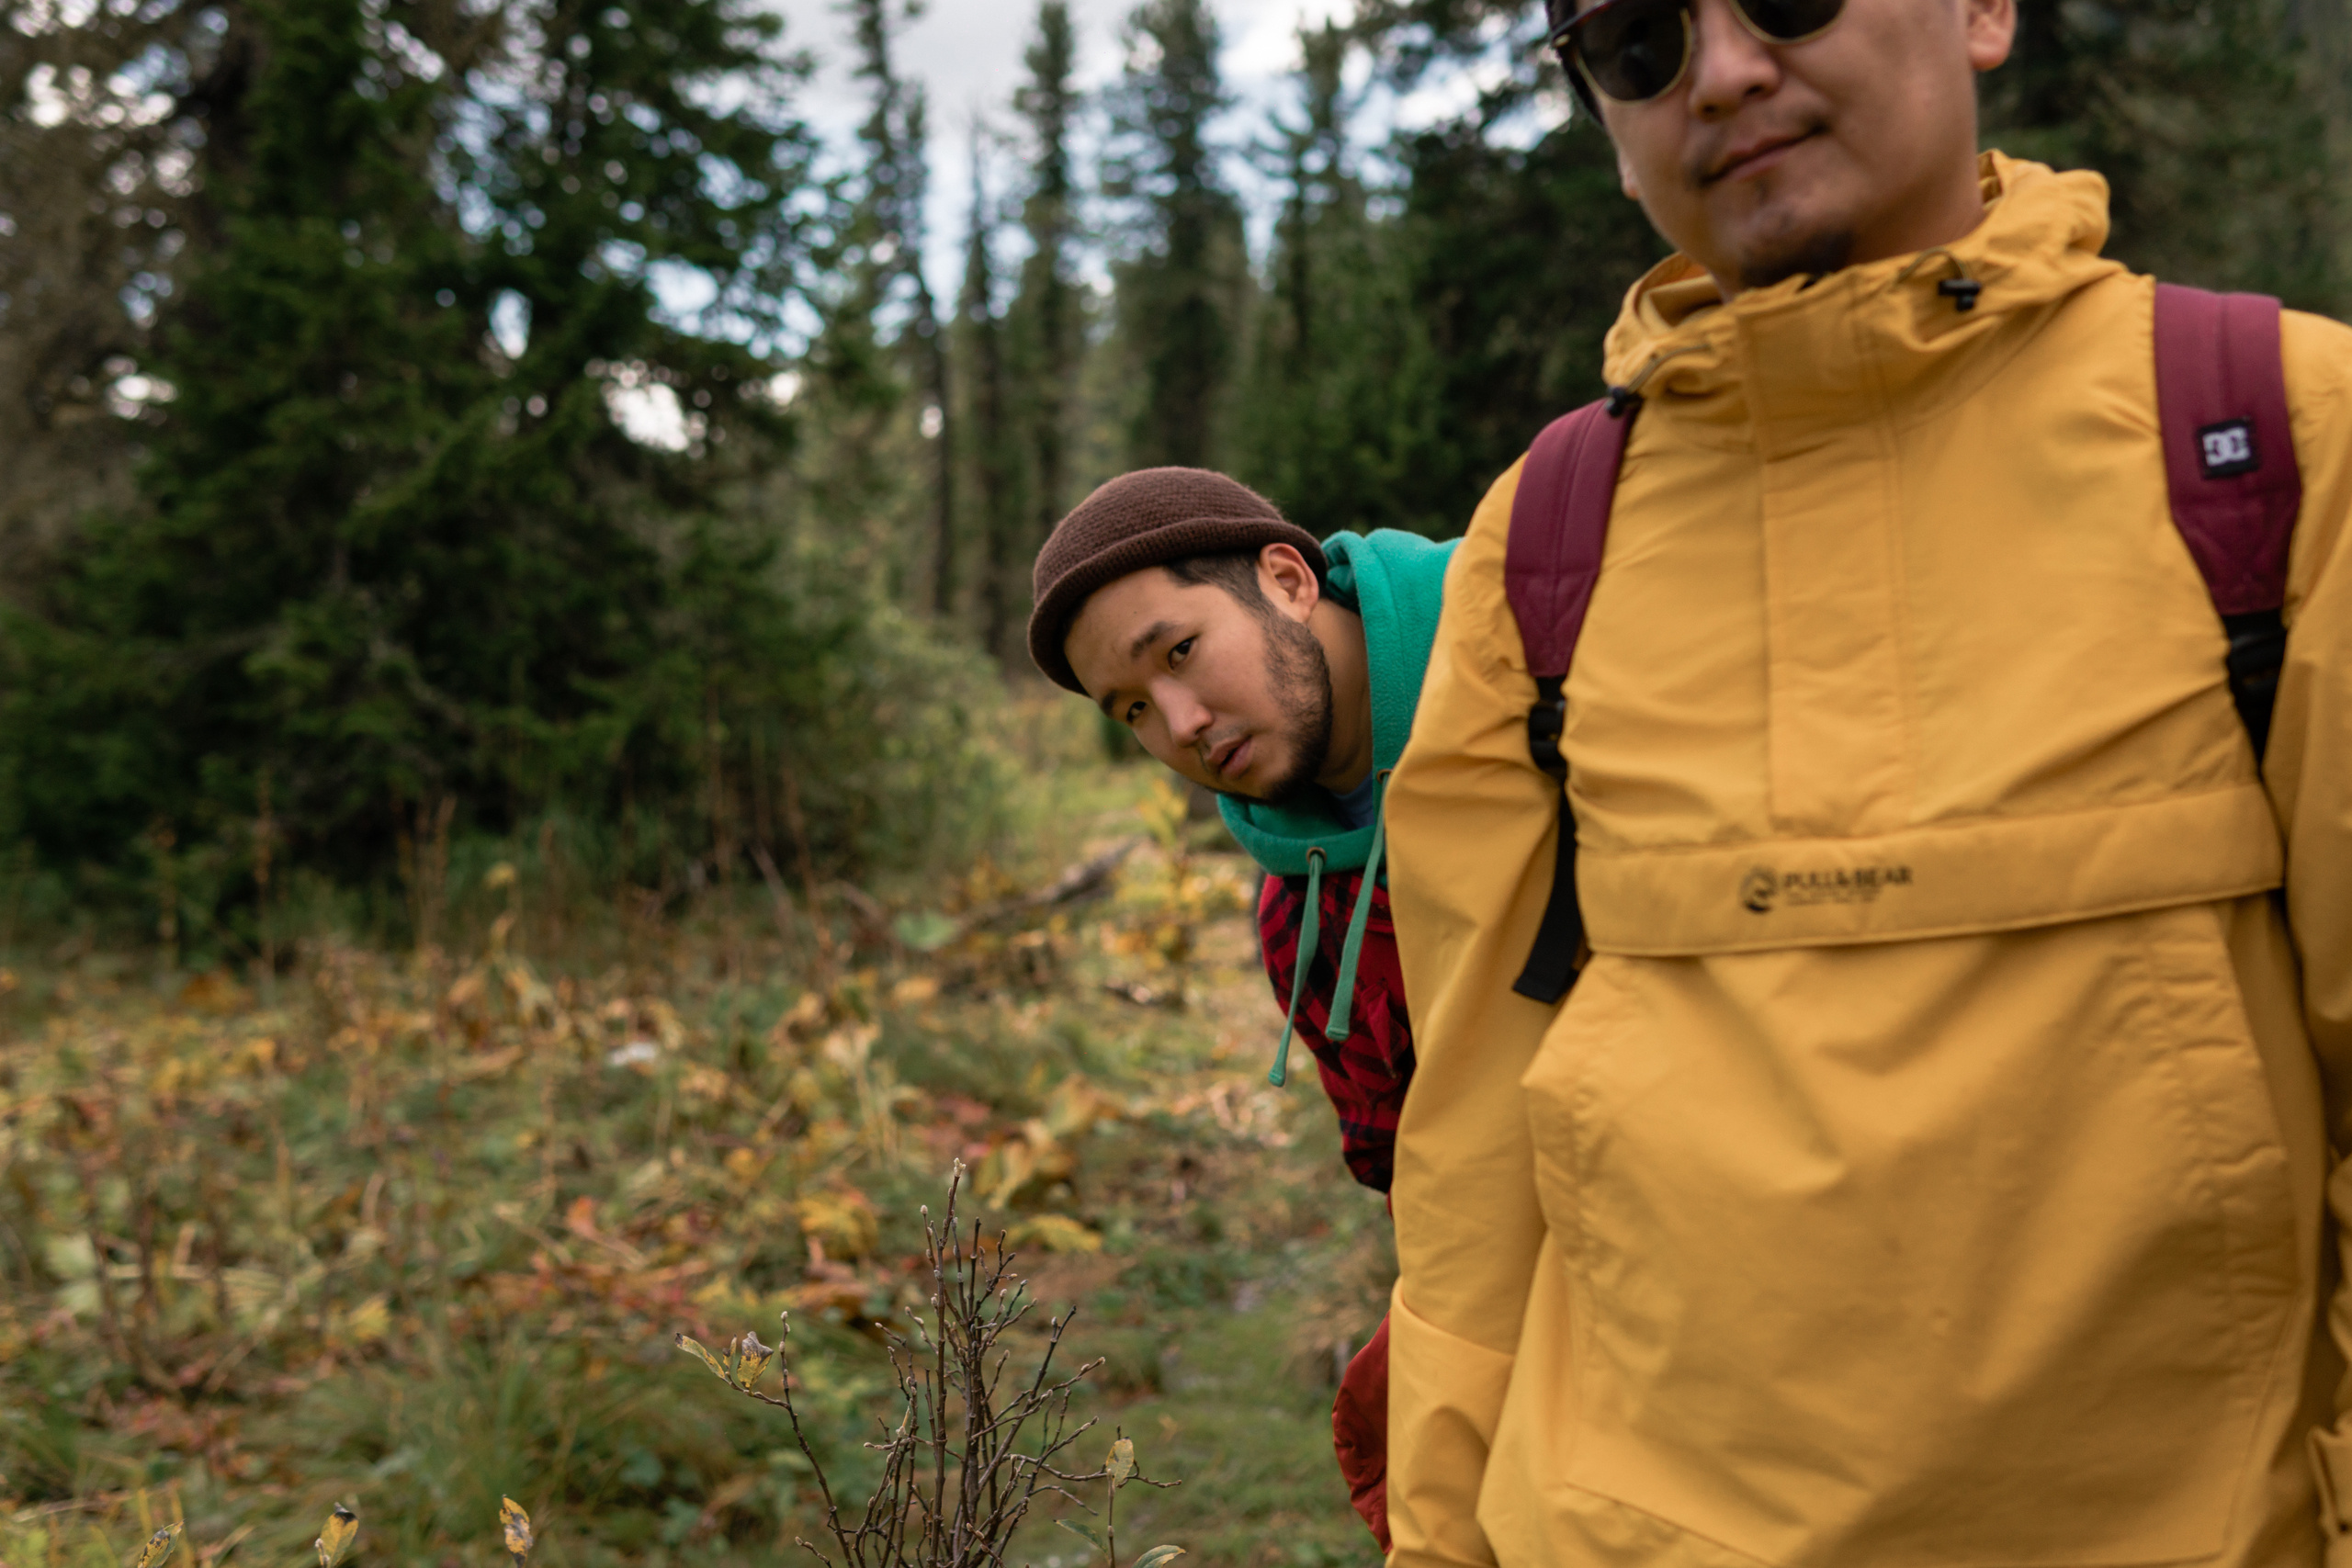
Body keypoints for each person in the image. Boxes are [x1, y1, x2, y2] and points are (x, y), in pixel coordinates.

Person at [1382, 0, 2352, 1563]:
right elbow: (1479, 1156)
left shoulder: (2277, 440)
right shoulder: (1549, 543)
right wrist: (1437, 1537)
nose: (1726, 69)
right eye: (1638, 39)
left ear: (1982, 11)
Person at [1026, 466, 1453, 1547]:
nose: (1179, 725)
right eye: (1131, 710)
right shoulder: (1297, 921)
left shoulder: (1528, 661)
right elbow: (1421, 1188)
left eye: (1176, 652)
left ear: (1285, 578)